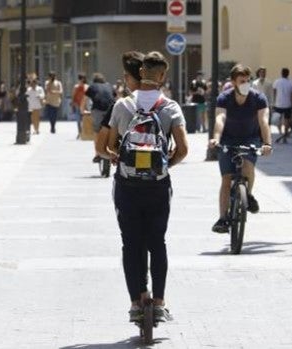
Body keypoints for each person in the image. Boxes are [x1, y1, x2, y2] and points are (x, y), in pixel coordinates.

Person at [107, 51, 188, 323]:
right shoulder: (171, 107)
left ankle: (136, 302)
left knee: (131, 244)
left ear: (141, 73)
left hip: (127, 185)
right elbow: (184, 149)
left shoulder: (122, 105)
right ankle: (160, 302)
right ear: (163, 75)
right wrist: (163, 166)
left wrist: (120, 159)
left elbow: (108, 145)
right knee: (157, 242)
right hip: (157, 186)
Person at [209, 64, 273, 233]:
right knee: (226, 178)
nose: (245, 84)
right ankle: (223, 219)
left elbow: (264, 121)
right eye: (241, 81)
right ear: (233, 82)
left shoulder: (259, 98)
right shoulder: (224, 98)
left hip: (250, 137)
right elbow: (220, 119)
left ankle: (248, 194)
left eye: (247, 80)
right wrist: (215, 139)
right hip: (227, 138)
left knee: (248, 166)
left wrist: (267, 143)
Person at [95, 51, 144, 160]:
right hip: (158, 175)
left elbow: (100, 148)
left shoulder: (120, 105)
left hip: (127, 172)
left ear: (126, 77)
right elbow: (182, 150)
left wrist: (114, 157)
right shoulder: (166, 105)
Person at [82, 73, 114, 162]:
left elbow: (84, 100)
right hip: (110, 109)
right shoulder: (109, 86)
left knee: (97, 131)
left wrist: (83, 110)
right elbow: (116, 97)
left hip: (97, 110)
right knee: (111, 129)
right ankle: (113, 150)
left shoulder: (92, 86)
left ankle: (97, 154)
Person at [273, 68, 292, 143]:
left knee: (278, 120)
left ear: (281, 73)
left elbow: (274, 92)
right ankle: (284, 137)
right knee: (286, 121)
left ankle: (280, 132)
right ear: (288, 74)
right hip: (287, 104)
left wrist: (274, 102)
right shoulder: (291, 83)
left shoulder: (277, 82)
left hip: (278, 104)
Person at [71, 74, 88, 139]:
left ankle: (83, 133)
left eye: (83, 78)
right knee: (78, 119)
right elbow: (73, 95)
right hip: (78, 105)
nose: (82, 80)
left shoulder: (86, 86)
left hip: (85, 105)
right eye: (81, 79)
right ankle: (79, 132)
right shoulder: (76, 86)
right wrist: (73, 103)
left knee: (84, 119)